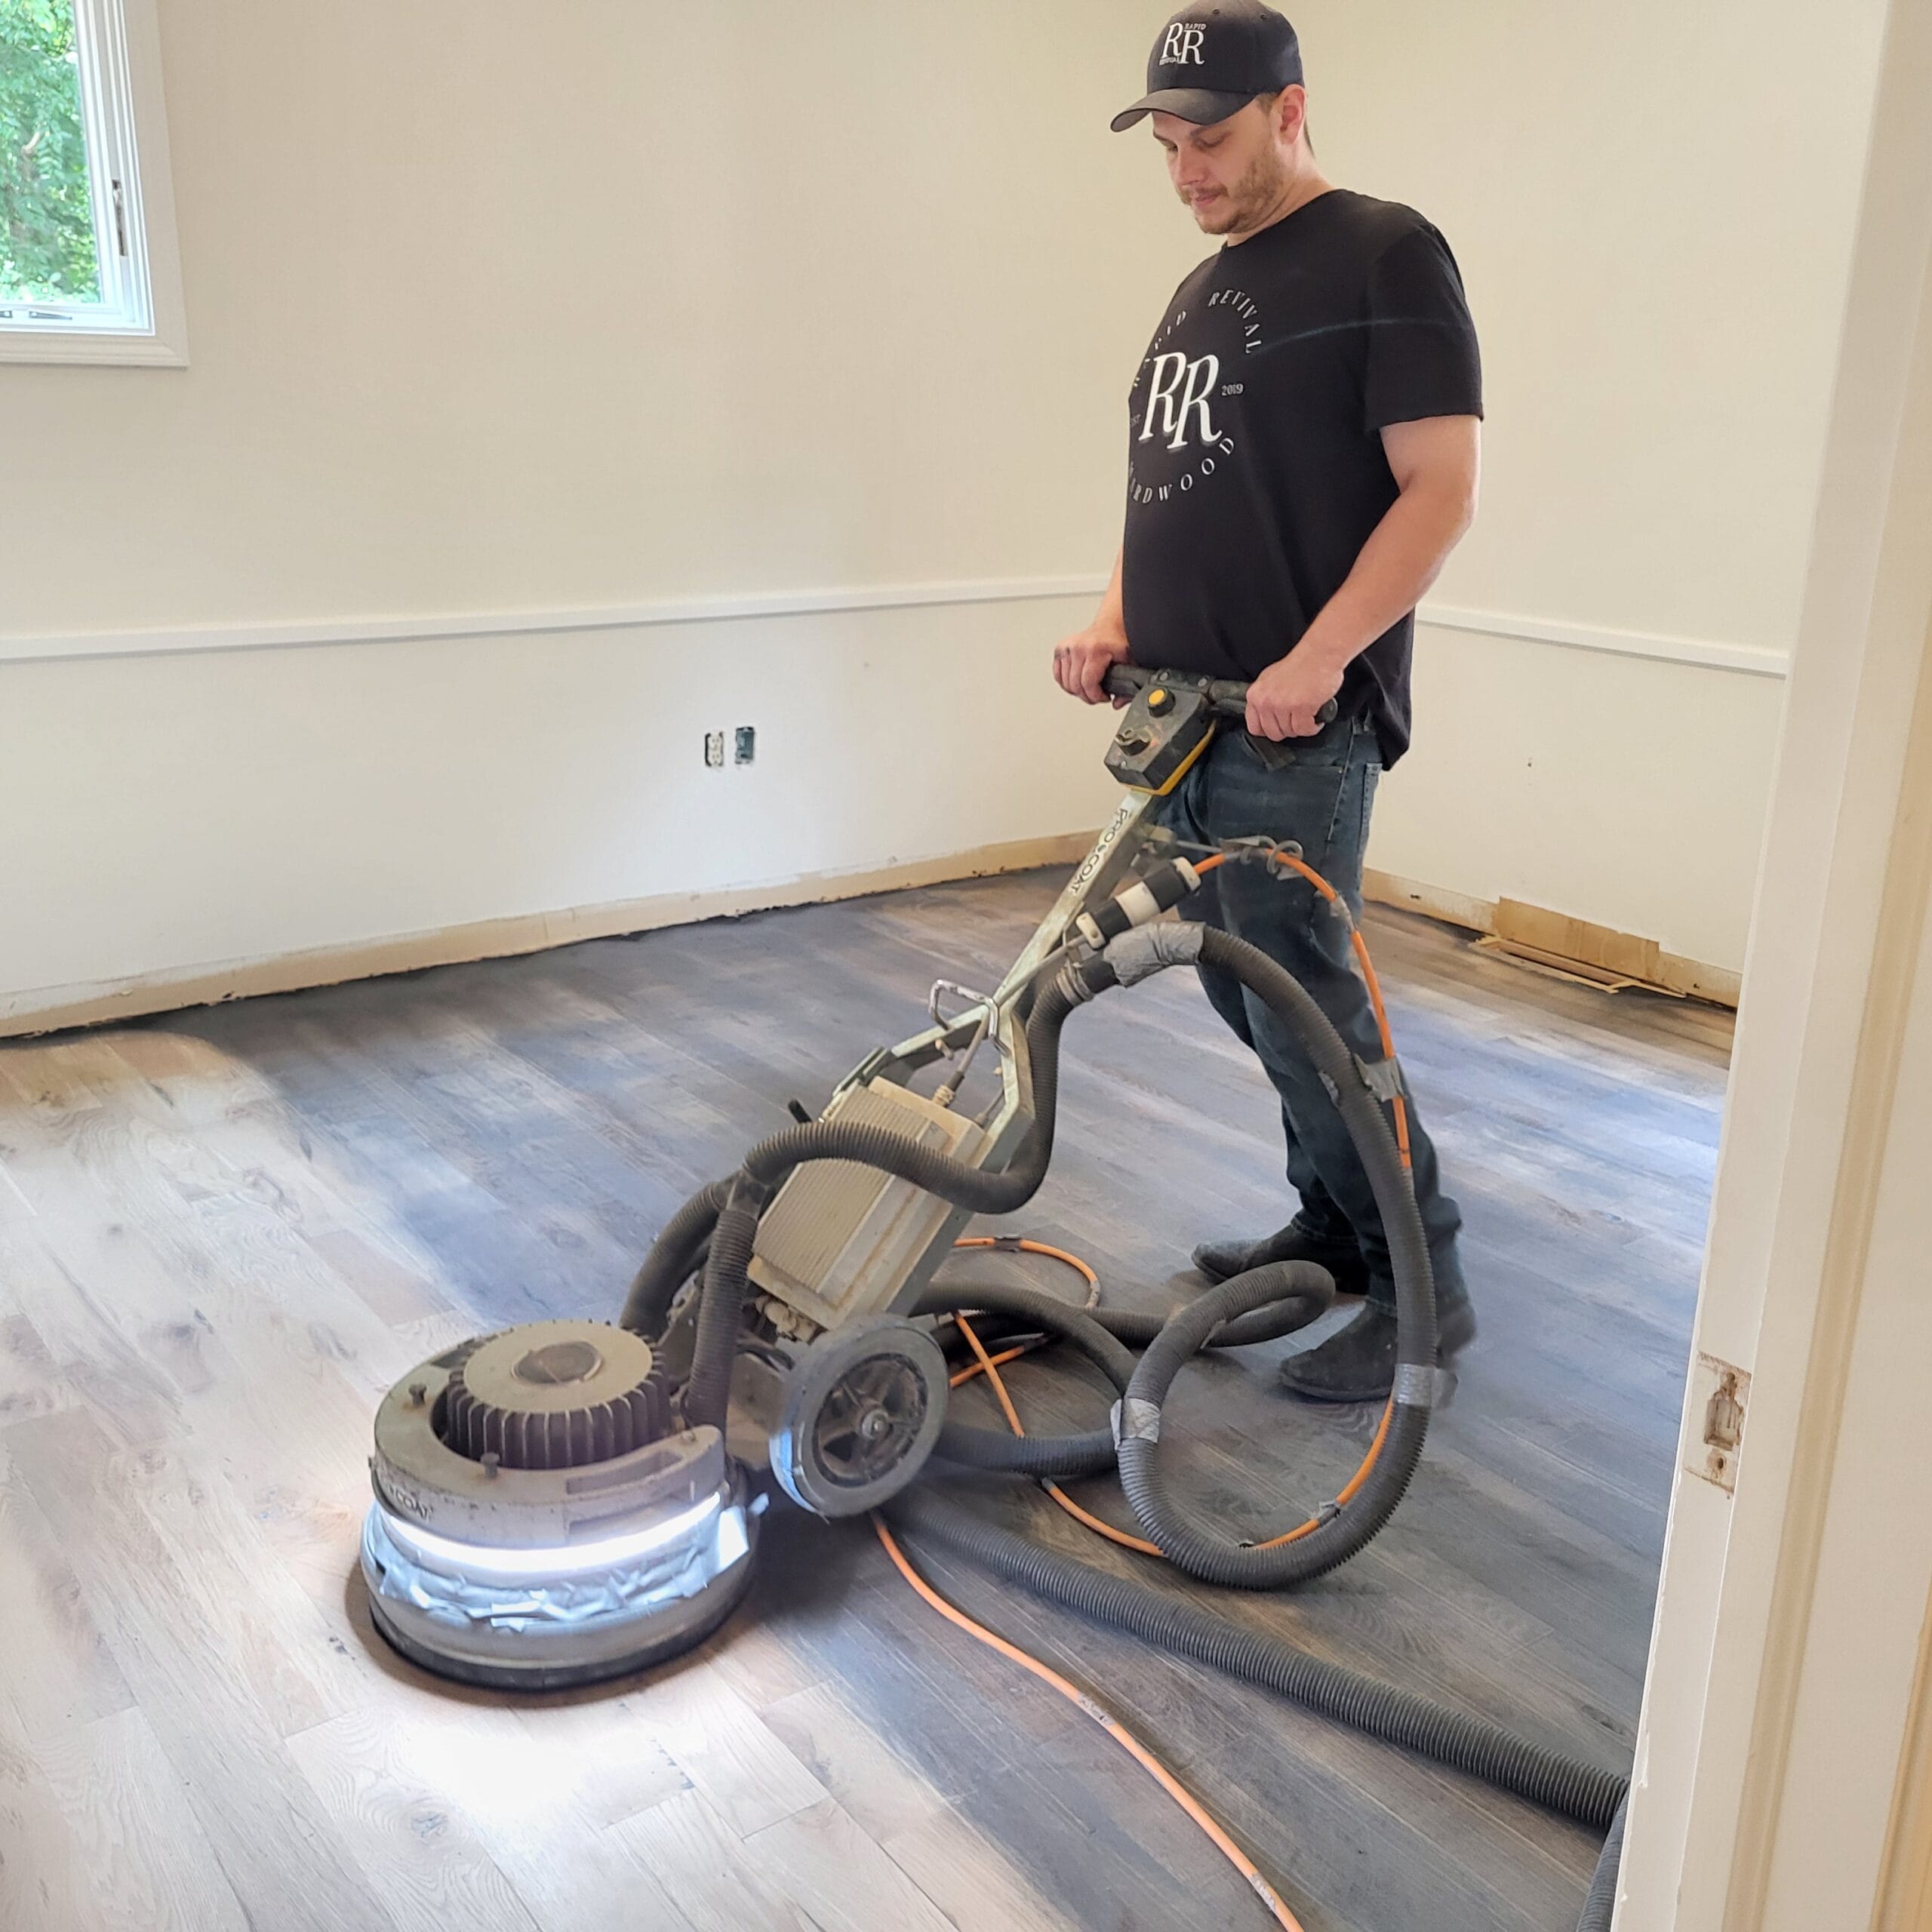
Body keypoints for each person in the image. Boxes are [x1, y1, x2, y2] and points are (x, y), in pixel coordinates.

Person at [1053, 1, 1481, 1402]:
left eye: (1213, 138)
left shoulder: (1385, 252)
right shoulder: (1204, 284)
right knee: (1252, 1002)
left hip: (1294, 727)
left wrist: (1321, 657)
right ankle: (1338, 1226)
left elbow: (1439, 491)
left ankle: (1426, 1286)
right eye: (1168, 144)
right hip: (1183, 718)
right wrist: (1118, 613)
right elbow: (1165, 481)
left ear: (1291, 111)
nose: (1187, 170)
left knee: (1311, 1009)